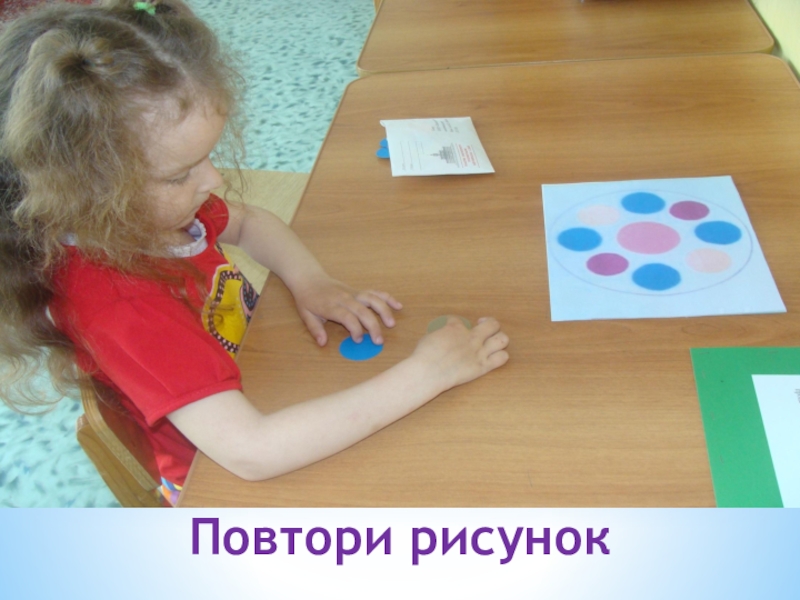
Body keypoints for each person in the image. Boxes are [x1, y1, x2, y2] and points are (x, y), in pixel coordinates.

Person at [0, 0, 509, 505]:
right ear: (88, 188)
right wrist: (427, 374)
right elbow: (252, 452)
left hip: (259, 378)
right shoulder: (121, 305)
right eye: (180, 174)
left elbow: (248, 222)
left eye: (207, 157)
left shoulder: (144, 215)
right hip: (216, 474)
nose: (213, 180)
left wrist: (310, 281)